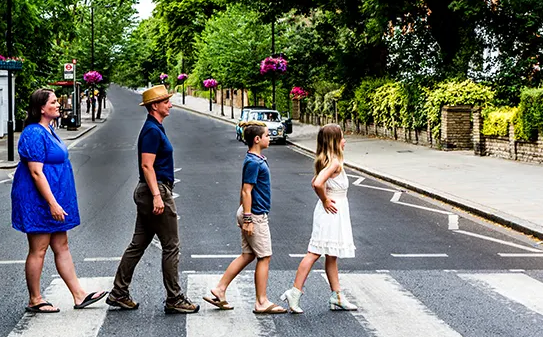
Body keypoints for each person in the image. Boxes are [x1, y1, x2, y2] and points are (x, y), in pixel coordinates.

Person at [10, 88, 108, 313]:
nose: (58, 104)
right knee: (39, 249)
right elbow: (36, 172)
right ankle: (34, 299)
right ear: (42, 108)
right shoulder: (34, 133)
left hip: (55, 198)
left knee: (61, 245)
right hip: (39, 200)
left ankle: (79, 295)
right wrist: (52, 203)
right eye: (54, 102)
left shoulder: (50, 129)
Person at [107, 85, 198, 314]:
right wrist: (158, 196)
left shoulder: (155, 128)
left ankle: (119, 292)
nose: (170, 104)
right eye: (166, 101)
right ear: (155, 106)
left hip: (149, 192)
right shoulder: (151, 130)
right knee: (171, 245)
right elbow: (147, 165)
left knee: (138, 245)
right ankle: (174, 298)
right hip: (154, 191)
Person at [203, 123, 286, 314]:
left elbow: (245, 189)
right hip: (255, 215)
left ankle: (220, 289)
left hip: (249, 212)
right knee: (264, 257)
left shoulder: (256, 159)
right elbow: (246, 190)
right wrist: (247, 218)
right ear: (257, 139)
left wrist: (241, 213)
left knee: (248, 255)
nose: (269, 137)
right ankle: (261, 302)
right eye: (266, 135)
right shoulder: (253, 162)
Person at [281, 123, 359, 313]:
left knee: (331, 256)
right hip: (330, 212)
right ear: (335, 142)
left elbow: (315, 182)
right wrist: (325, 199)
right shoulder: (334, 163)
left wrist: (325, 196)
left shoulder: (329, 161)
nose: (345, 140)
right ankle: (295, 292)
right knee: (315, 252)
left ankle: (337, 296)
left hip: (334, 211)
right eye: (342, 137)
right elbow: (317, 183)